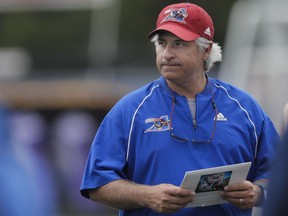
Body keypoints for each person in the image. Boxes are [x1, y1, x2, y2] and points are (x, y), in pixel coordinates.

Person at [80, 3, 279, 216]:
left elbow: (278, 173)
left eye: (179, 44)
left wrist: (258, 193)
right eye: (161, 43)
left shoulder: (245, 108)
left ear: (206, 50)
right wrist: (147, 196)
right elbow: (97, 184)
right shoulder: (130, 110)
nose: (167, 54)